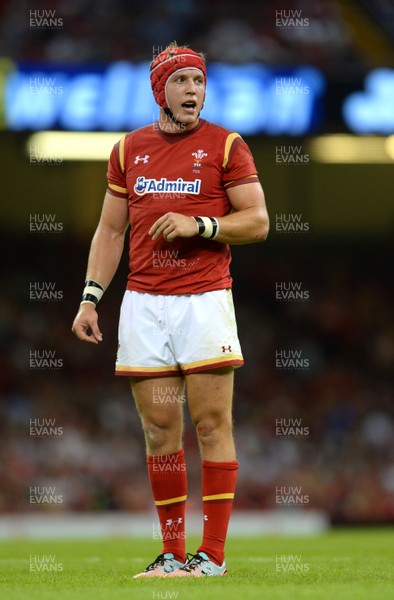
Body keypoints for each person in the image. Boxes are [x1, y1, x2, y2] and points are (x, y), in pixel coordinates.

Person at [72, 42, 269, 578]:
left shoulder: (227, 145)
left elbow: (257, 221)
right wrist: (91, 297)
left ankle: (213, 557)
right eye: (181, 82)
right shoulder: (128, 149)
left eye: (199, 82)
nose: (193, 91)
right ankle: (172, 554)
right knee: (160, 431)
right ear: (160, 90)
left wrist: (201, 224)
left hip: (203, 300)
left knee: (210, 425)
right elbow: (111, 229)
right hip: (143, 304)